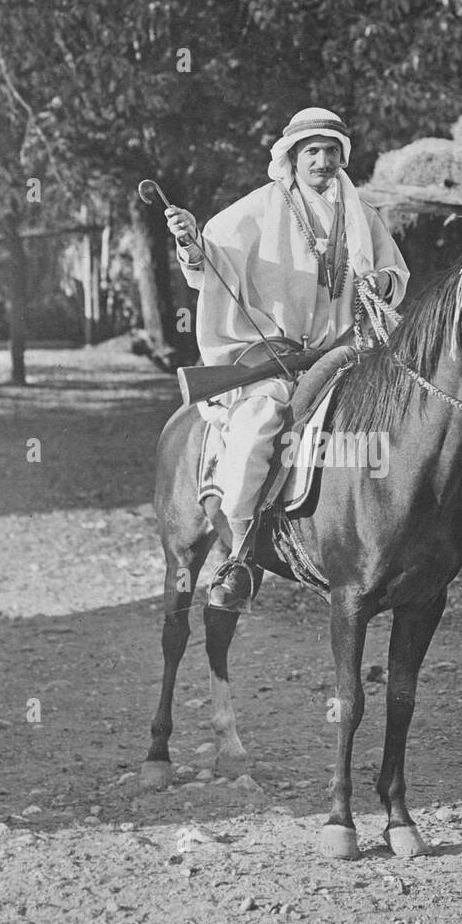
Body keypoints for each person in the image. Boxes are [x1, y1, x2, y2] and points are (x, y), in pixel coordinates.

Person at [164, 106, 409, 610]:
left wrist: (382, 282)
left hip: (349, 353)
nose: (322, 160)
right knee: (258, 425)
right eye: (312, 151)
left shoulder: (362, 215)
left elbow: (395, 273)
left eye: (331, 151)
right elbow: (209, 261)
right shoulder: (255, 211)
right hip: (278, 357)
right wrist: (189, 241)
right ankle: (239, 555)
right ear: (292, 157)